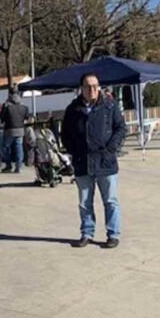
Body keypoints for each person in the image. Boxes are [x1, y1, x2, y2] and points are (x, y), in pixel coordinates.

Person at [62, 73, 127, 249]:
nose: (91, 90)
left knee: (110, 201)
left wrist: (110, 150)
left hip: (105, 162)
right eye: (87, 86)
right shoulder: (72, 110)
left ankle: (113, 234)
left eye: (94, 86)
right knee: (84, 202)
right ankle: (87, 233)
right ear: (81, 88)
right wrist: (74, 151)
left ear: (99, 87)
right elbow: (65, 134)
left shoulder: (110, 106)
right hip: (83, 162)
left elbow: (121, 128)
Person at [0, 90, 30, 173]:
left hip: (9, 130)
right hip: (20, 130)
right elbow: (27, 118)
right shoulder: (24, 107)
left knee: (4, 147)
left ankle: (8, 165)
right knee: (19, 148)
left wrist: (4, 107)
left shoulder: (7, 107)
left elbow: (2, 118)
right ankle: (18, 167)